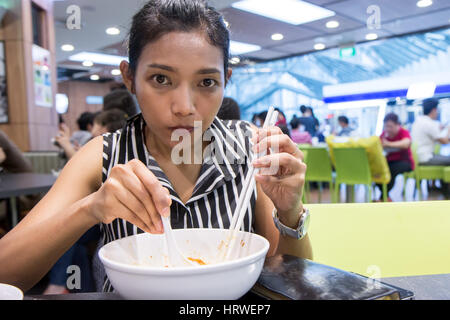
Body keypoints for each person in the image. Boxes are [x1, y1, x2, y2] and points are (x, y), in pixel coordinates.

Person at [0, 0, 311, 293]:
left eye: (206, 82)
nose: (185, 107)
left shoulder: (249, 147)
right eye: (161, 79)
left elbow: (290, 277)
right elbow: (5, 271)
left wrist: (290, 212)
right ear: (130, 77)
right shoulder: (104, 154)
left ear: (225, 80)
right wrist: (90, 209)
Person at [43, 109, 127, 295]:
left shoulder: (109, 148)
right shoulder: (100, 147)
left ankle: (58, 285)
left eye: (96, 125)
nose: (92, 130)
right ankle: (83, 292)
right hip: (99, 218)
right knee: (79, 248)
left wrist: (66, 144)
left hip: (106, 220)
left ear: (104, 127)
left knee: (70, 231)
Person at [378, 113, 415, 199]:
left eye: (390, 126)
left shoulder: (403, 132)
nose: (388, 129)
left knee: (390, 170)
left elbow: (406, 143)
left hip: (405, 162)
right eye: (386, 126)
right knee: (379, 170)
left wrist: (389, 144)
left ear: (398, 125)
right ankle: (385, 197)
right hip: (389, 161)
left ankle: (383, 198)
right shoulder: (384, 135)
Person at [411, 98, 450, 166]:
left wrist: (441, 129)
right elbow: (445, 141)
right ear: (434, 110)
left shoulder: (418, 121)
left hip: (418, 157)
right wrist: (449, 130)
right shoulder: (429, 123)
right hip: (426, 158)